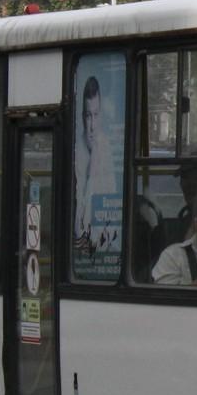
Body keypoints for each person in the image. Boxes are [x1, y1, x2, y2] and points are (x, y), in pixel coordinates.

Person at [151, 161, 197, 286]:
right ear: (196, 222)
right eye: (184, 178)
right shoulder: (174, 253)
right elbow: (162, 301)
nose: (185, 184)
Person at [73, 74, 119, 261]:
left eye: (96, 115)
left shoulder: (105, 147)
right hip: (81, 251)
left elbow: (113, 209)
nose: (92, 126)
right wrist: (91, 175)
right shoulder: (76, 152)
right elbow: (79, 227)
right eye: (87, 116)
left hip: (103, 248)